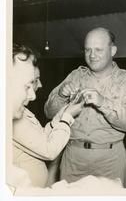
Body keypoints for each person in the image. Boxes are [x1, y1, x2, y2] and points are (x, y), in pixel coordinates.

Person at [44, 27, 126, 187]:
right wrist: (61, 95)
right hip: (73, 159)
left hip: (109, 160)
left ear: (113, 50)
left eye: (98, 50)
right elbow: (48, 113)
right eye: (87, 50)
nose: (92, 55)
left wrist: (103, 102)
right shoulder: (75, 75)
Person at [12, 43, 84, 187]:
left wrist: (64, 113)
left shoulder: (18, 109)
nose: (39, 86)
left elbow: (41, 136)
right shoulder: (13, 117)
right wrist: (67, 118)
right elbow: (49, 150)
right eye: (31, 82)